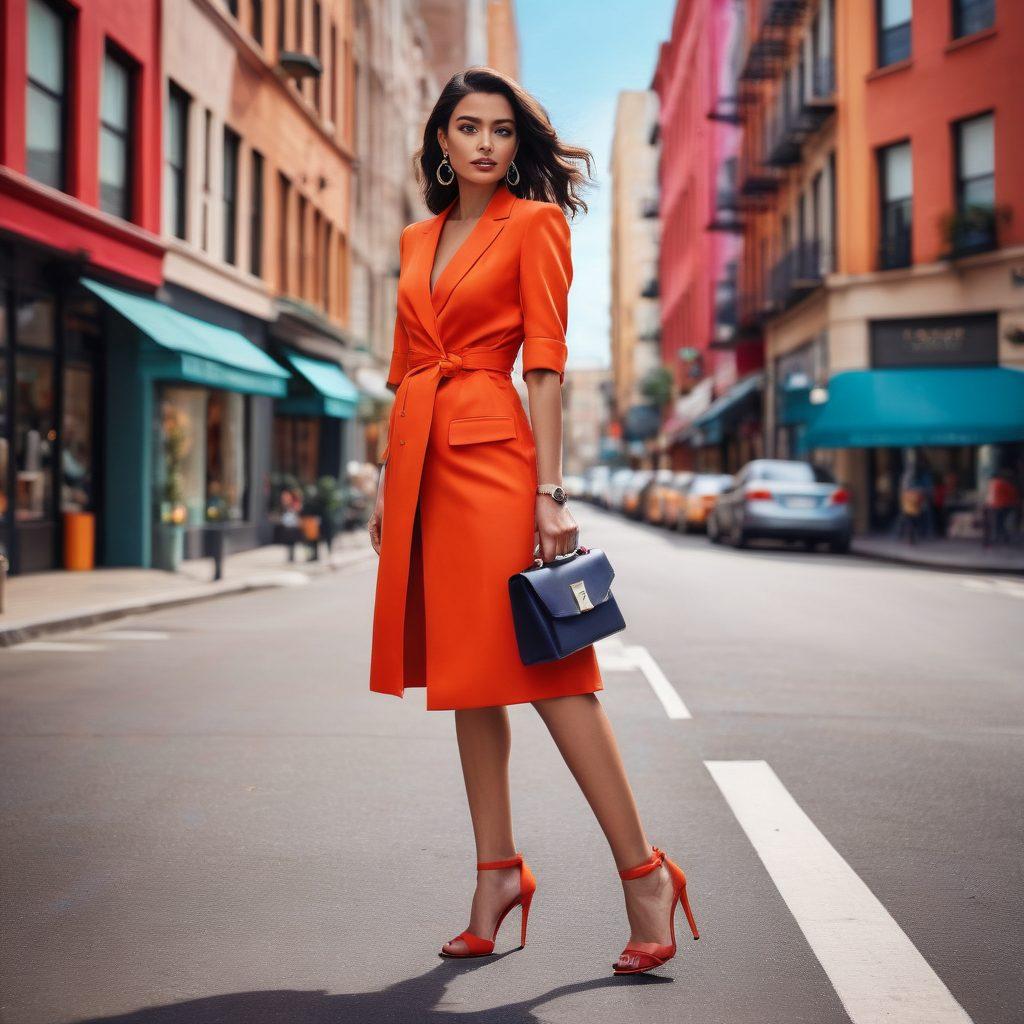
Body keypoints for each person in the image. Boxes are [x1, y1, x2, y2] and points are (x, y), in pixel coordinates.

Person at [365, 67, 699, 976]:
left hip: (494, 464)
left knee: (554, 673)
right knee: (466, 683)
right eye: (466, 127)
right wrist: (386, 490)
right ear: (440, 140)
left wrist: (551, 494)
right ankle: (497, 875)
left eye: (501, 130)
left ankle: (644, 873)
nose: (483, 143)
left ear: (518, 145)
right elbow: (402, 371)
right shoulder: (413, 239)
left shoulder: (536, 225)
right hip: (424, 464)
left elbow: (544, 365)